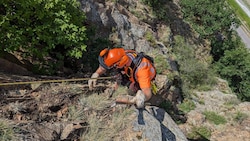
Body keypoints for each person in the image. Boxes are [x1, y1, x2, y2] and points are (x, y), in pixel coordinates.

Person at [88, 48, 156, 108]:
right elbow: (106, 64)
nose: (114, 68)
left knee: (131, 91)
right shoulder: (121, 54)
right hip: (129, 71)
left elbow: (147, 93)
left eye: (115, 66)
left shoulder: (142, 71)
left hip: (140, 78)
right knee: (118, 75)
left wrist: (141, 98)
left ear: (120, 63)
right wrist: (96, 73)